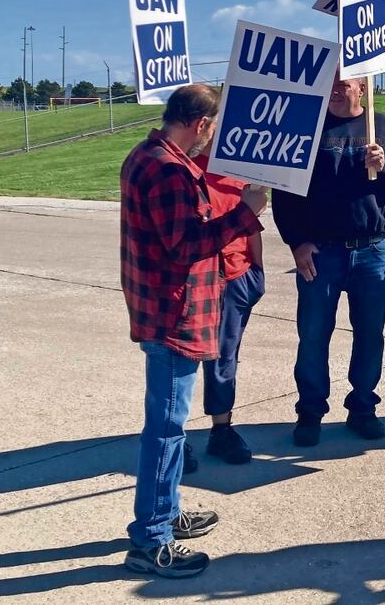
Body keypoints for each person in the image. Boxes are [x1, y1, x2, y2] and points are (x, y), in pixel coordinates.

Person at [120, 84, 268, 577]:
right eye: (214, 126)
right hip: (173, 314)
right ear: (201, 123)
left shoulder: (148, 155)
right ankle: (151, 540)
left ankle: (165, 512)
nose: (213, 137)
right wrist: (245, 213)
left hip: (164, 307)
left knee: (169, 427)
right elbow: (186, 245)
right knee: (166, 430)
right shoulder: (169, 169)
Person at [273, 76, 385, 447]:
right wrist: (297, 242)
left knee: (370, 333)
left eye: (345, 84)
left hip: (372, 251)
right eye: (331, 84)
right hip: (320, 253)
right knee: (313, 335)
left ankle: (363, 407)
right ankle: (310, 412)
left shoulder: (384, 127)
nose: (336, 90)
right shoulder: (307, 130)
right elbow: (284, 191)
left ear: (362, 88)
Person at [183, 144, 266, 466]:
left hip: (236, 276)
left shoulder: (238, 167)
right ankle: (174, 437)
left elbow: (250, 226)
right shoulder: (184, 170)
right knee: (182, 360)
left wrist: (256, 272)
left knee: (225, 357)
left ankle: (222, 429)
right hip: (196, 279)